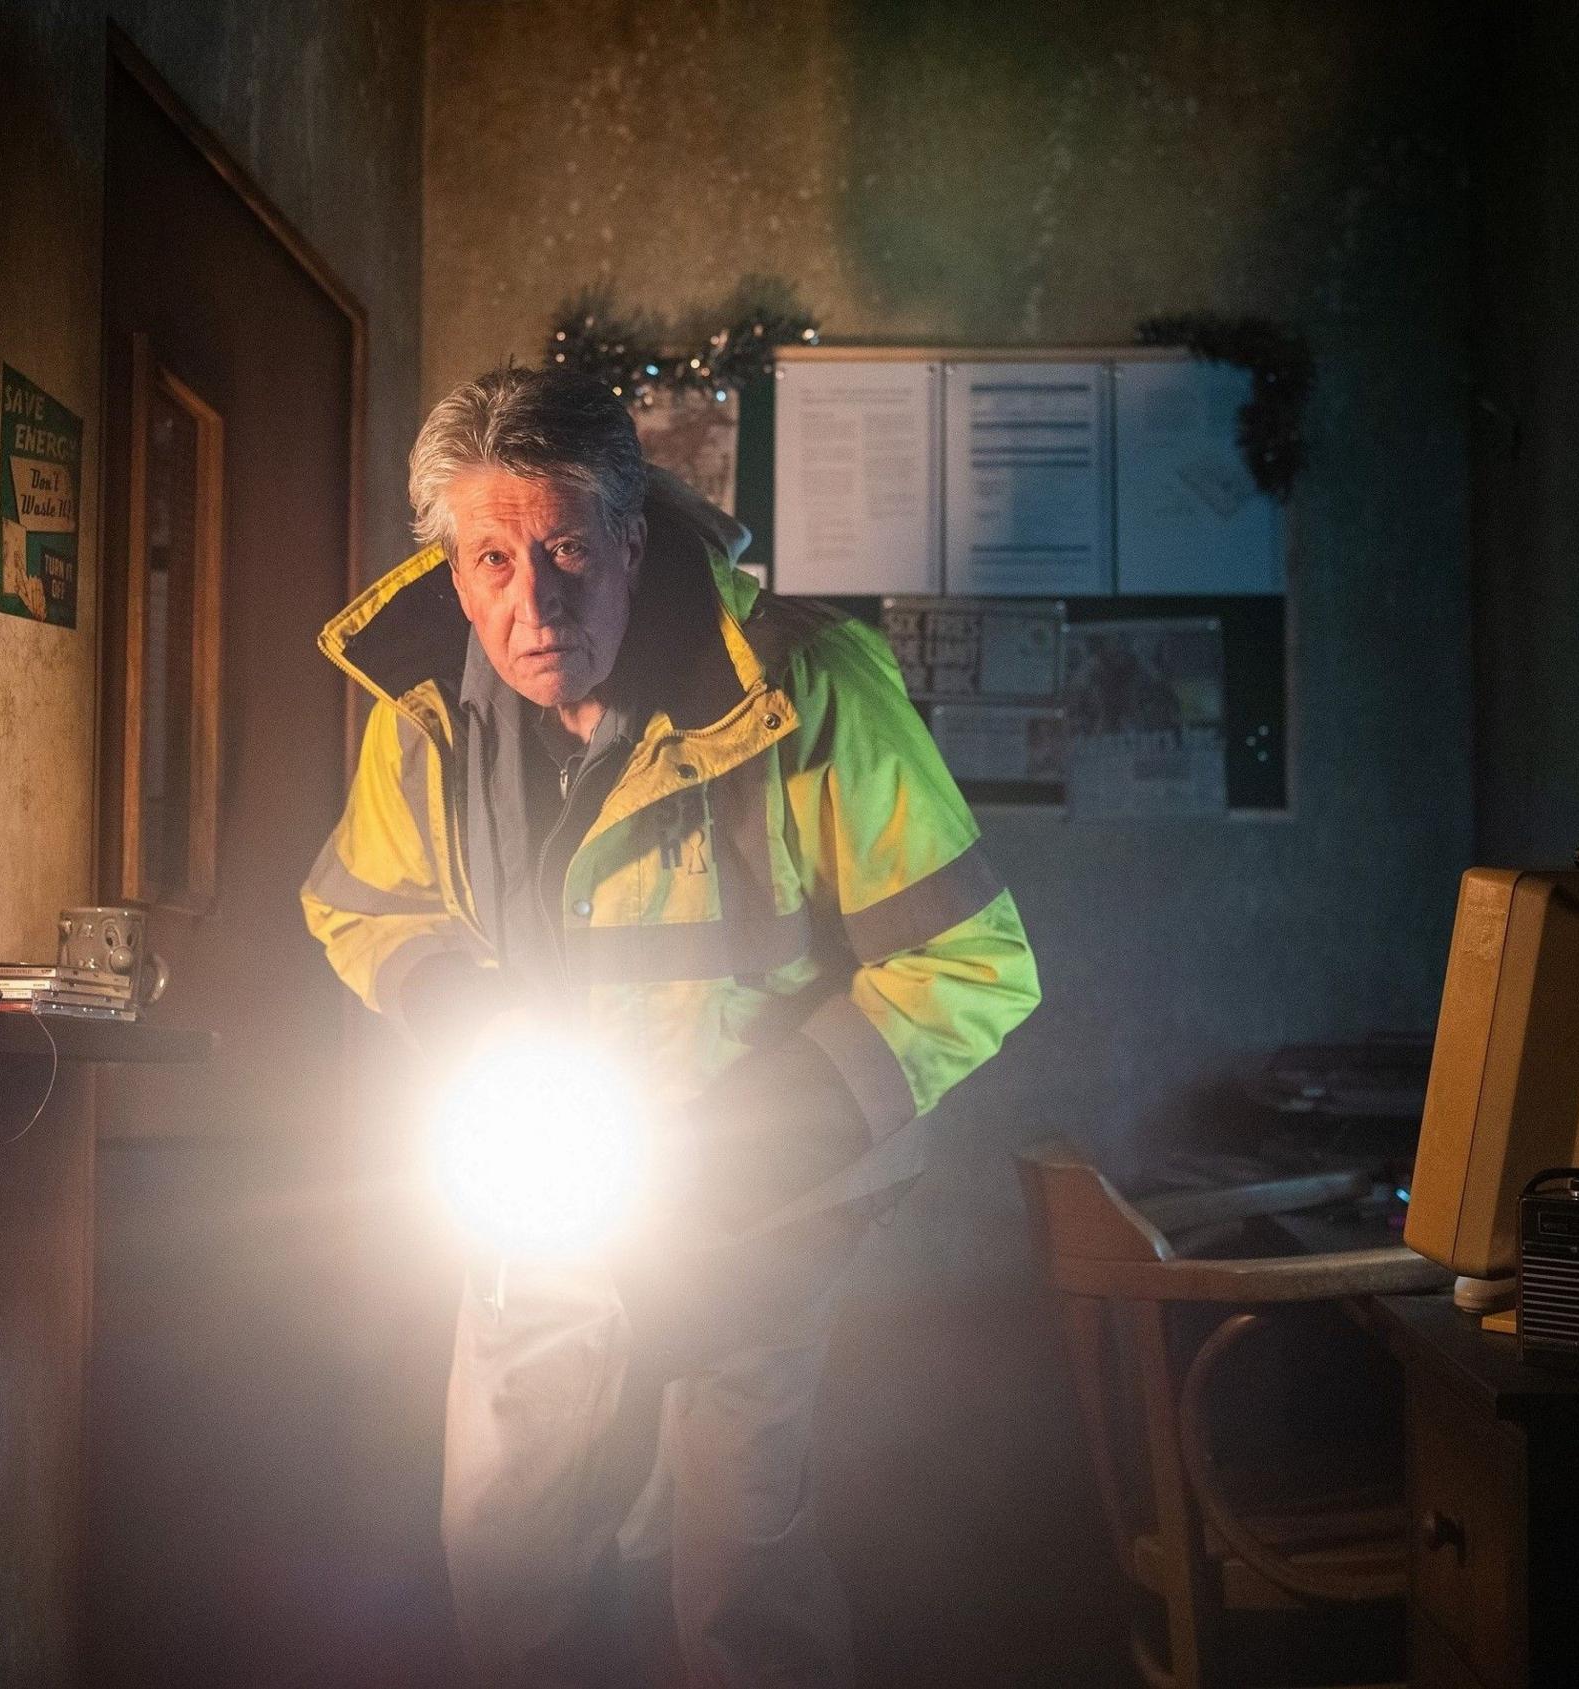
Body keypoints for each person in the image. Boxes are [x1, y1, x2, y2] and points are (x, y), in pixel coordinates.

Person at [301, 366, 1039, 1687]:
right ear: (457, 572)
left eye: (571, 549)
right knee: (510, 1555)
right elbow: (365, 911)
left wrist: (758, 1143)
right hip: (545, 1205)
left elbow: (969, 964)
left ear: (632, 539)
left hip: (769, 1206)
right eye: (495, 560)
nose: (538, 602)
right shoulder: (422, 718)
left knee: (738, 1571)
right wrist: (466, 1022)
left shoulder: (810, 686)